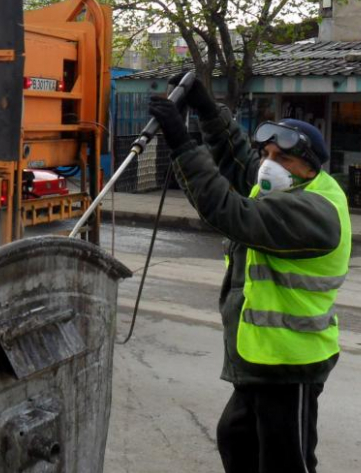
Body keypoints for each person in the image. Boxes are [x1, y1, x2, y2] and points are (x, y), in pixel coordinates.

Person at [148, 76, 350, 473]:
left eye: (282, 158)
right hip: (259, 359)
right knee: (236, 439)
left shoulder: (315, 212)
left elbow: (228, 211)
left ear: (308, 168)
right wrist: (208, 110)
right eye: (268, 154)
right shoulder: (281, 190)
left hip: (291, 365)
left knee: (285, 462)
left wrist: (182, 145)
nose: (268, 164)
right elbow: (237, 157)